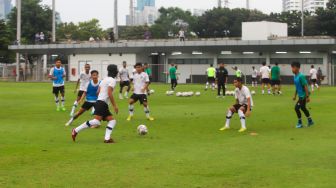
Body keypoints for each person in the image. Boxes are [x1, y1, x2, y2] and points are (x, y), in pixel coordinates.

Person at [72, 64, 119, 143]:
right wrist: (115, 106)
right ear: (115, 71)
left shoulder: (104, 79)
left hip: (100, 102)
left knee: (112, 121)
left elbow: (97, 92)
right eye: (116, 70)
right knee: (96, 121)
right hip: (102, 103)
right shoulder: (112, 80)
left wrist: (101, 99)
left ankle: (107, 139)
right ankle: (75, 130)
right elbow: (110, 93)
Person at [291, 62, 314, 128]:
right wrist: (295, 95)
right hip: (300, 95)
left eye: (293, 68)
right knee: (303, 108)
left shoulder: (301, 76)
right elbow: (297, 87)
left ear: (298, 68)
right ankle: (310, 121)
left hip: (303, 95)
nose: (292, 69)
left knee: (296, 108)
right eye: (292, 68)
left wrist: (307, 97)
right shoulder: (295, 76)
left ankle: (300, 123)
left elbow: (305, 87)